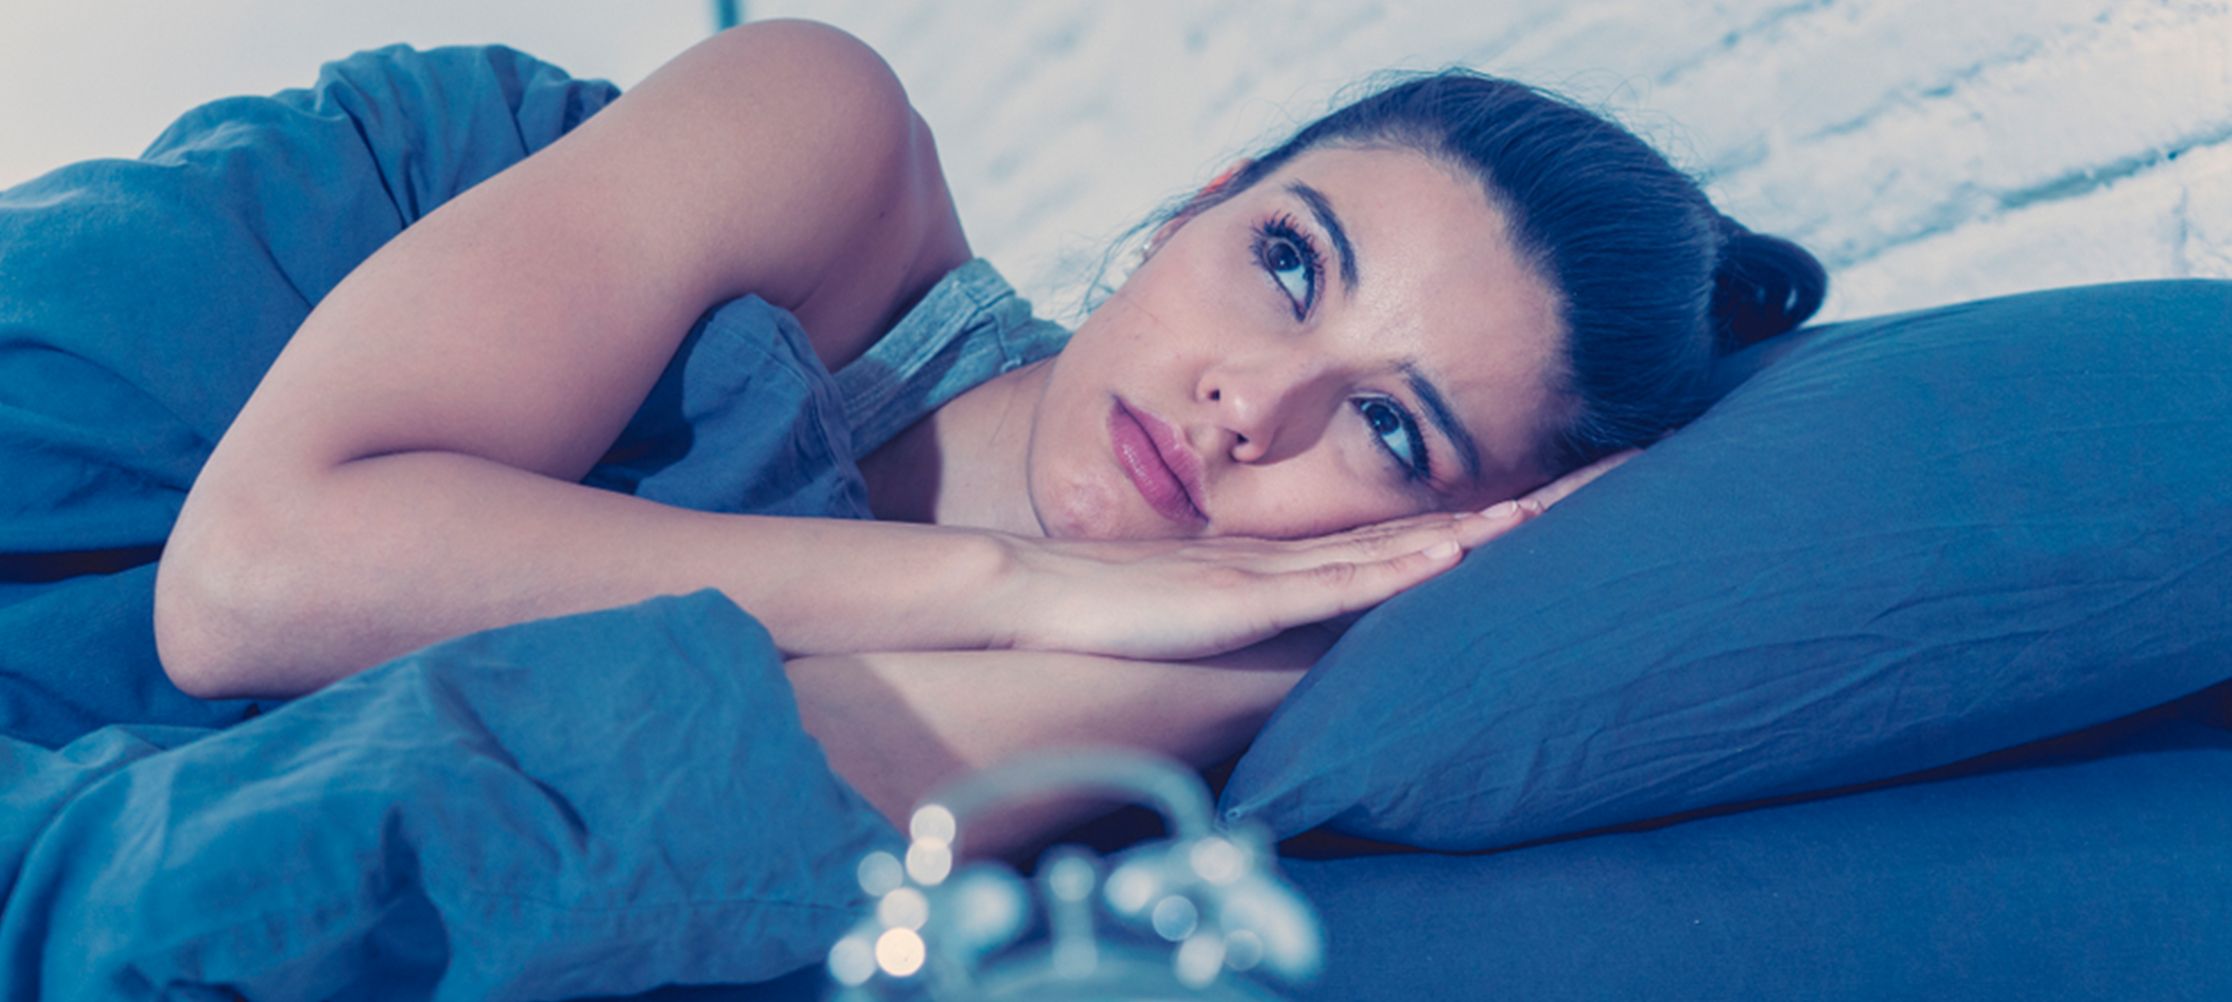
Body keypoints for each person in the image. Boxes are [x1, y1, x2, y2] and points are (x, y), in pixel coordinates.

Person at [2, 20, 1822, 833]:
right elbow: (244, 584)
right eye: (1285, 259)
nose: (1252, 405)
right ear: (1202, 194)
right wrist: (1008, 583)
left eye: (1395, 435)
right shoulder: (831, 146)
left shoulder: (1161, 714)